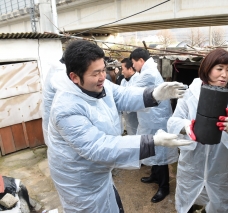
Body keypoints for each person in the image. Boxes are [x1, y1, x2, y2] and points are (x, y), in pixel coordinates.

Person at [45, 40, 191, 213]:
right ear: (74, 77)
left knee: (110, 203)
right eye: (95, 73)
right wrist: (151, 142)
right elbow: (98, 147)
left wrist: (154, 94)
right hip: (80, 181)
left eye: (103, 70)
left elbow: (123, 95)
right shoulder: (65, 108)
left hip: (98, 172)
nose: (102, 77)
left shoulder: (99, 85)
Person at [167, 48, 228, 213]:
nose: (225, 74)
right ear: (207, 69)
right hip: (192, 165)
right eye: (219, 69)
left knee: (220, 205)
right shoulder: (190, 94)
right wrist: (187, 126)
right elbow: (173, 122)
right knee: (188, 203)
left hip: (222, 167)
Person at [130, 48, 177, 203]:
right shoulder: (147, 71)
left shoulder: (148, 74)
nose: (133, 67)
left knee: (159, 152)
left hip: (156, 120)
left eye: (133, 63)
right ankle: (155, 176)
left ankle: (164, 187)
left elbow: (131, 92)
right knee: (152, 149)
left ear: (140, 61)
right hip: (151, 119)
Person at [120, 58, 140, 135]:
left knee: (139, 134)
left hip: (136, 115)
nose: (122, 71)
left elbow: (134, 98)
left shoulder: (138, 80)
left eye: (123, 69)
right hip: (127, 116)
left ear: (130, 69)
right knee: (131, 132)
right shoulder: (124, 81)